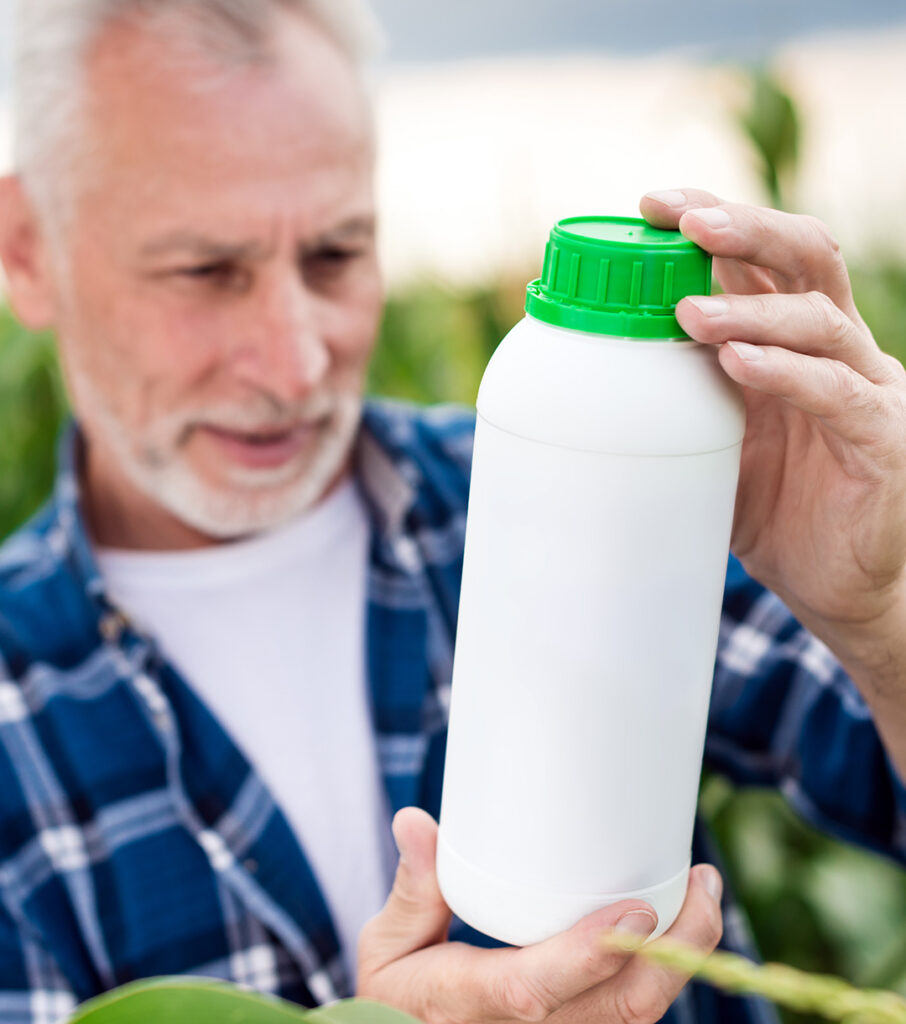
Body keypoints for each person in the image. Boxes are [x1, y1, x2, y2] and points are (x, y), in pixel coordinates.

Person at [0, 1, 904, 1022]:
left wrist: (881, 614)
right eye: (204, 272)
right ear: (28, 250)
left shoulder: (566, 472)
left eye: (336, 255)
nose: (296, 362)